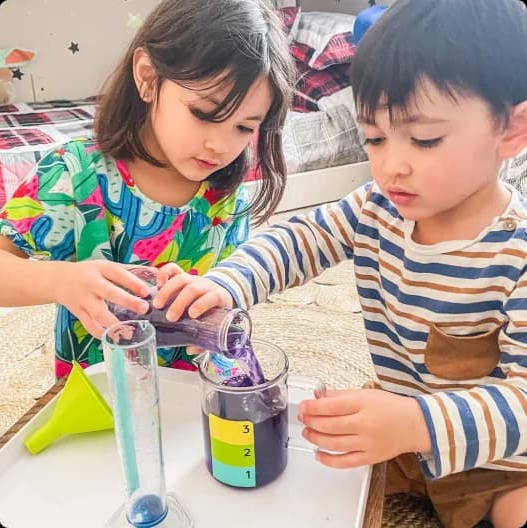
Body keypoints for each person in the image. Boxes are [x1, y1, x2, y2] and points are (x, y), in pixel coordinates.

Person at [151, 0, 527, 526]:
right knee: (307, 472)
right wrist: (227, 285)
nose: (392, 165)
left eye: (424, 139)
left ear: (510, 131)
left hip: (495, 462)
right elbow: (300, 237)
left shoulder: (516, 252)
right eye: (373, 138)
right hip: (399, 424)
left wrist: (415, 422)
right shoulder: (376, 206)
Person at [0, 0, 295, 378]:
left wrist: (209, 296)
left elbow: (231, 290)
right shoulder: (74, 174)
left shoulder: (223, 192)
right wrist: (61, 280)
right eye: (205, 113)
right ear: (148, 77)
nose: (220, 146)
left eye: (243, 128)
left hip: (195, 386)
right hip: (102, 391)